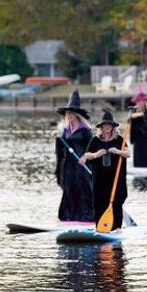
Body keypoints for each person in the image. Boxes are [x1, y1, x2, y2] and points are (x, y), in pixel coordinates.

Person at [80, 110, 131, 230]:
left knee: (116, 202)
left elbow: (128, 154)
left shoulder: (119, 139)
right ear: (101, 127)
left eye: (109, 125)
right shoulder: (95, 140)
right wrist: (96, 155)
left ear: (113, 127)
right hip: (99, 178)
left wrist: (118, 151)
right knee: (99, 202)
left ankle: (117, 227)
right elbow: (86, 155)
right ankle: (99, 227)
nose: (107, 127)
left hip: (116, 178)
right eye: (104, 125)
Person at [53, 90, 95, 222]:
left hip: (82, 165)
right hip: (69, 165)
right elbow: (63, 147)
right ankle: (70, 216)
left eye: (71, 113)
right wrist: (57, 138)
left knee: (83, 188)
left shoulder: (85, 131)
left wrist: (85, 156)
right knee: (69, 187)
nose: (68, 115)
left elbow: (93, 146)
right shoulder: (66, 130)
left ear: (77, 115)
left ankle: (88, 216)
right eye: (67, 113)